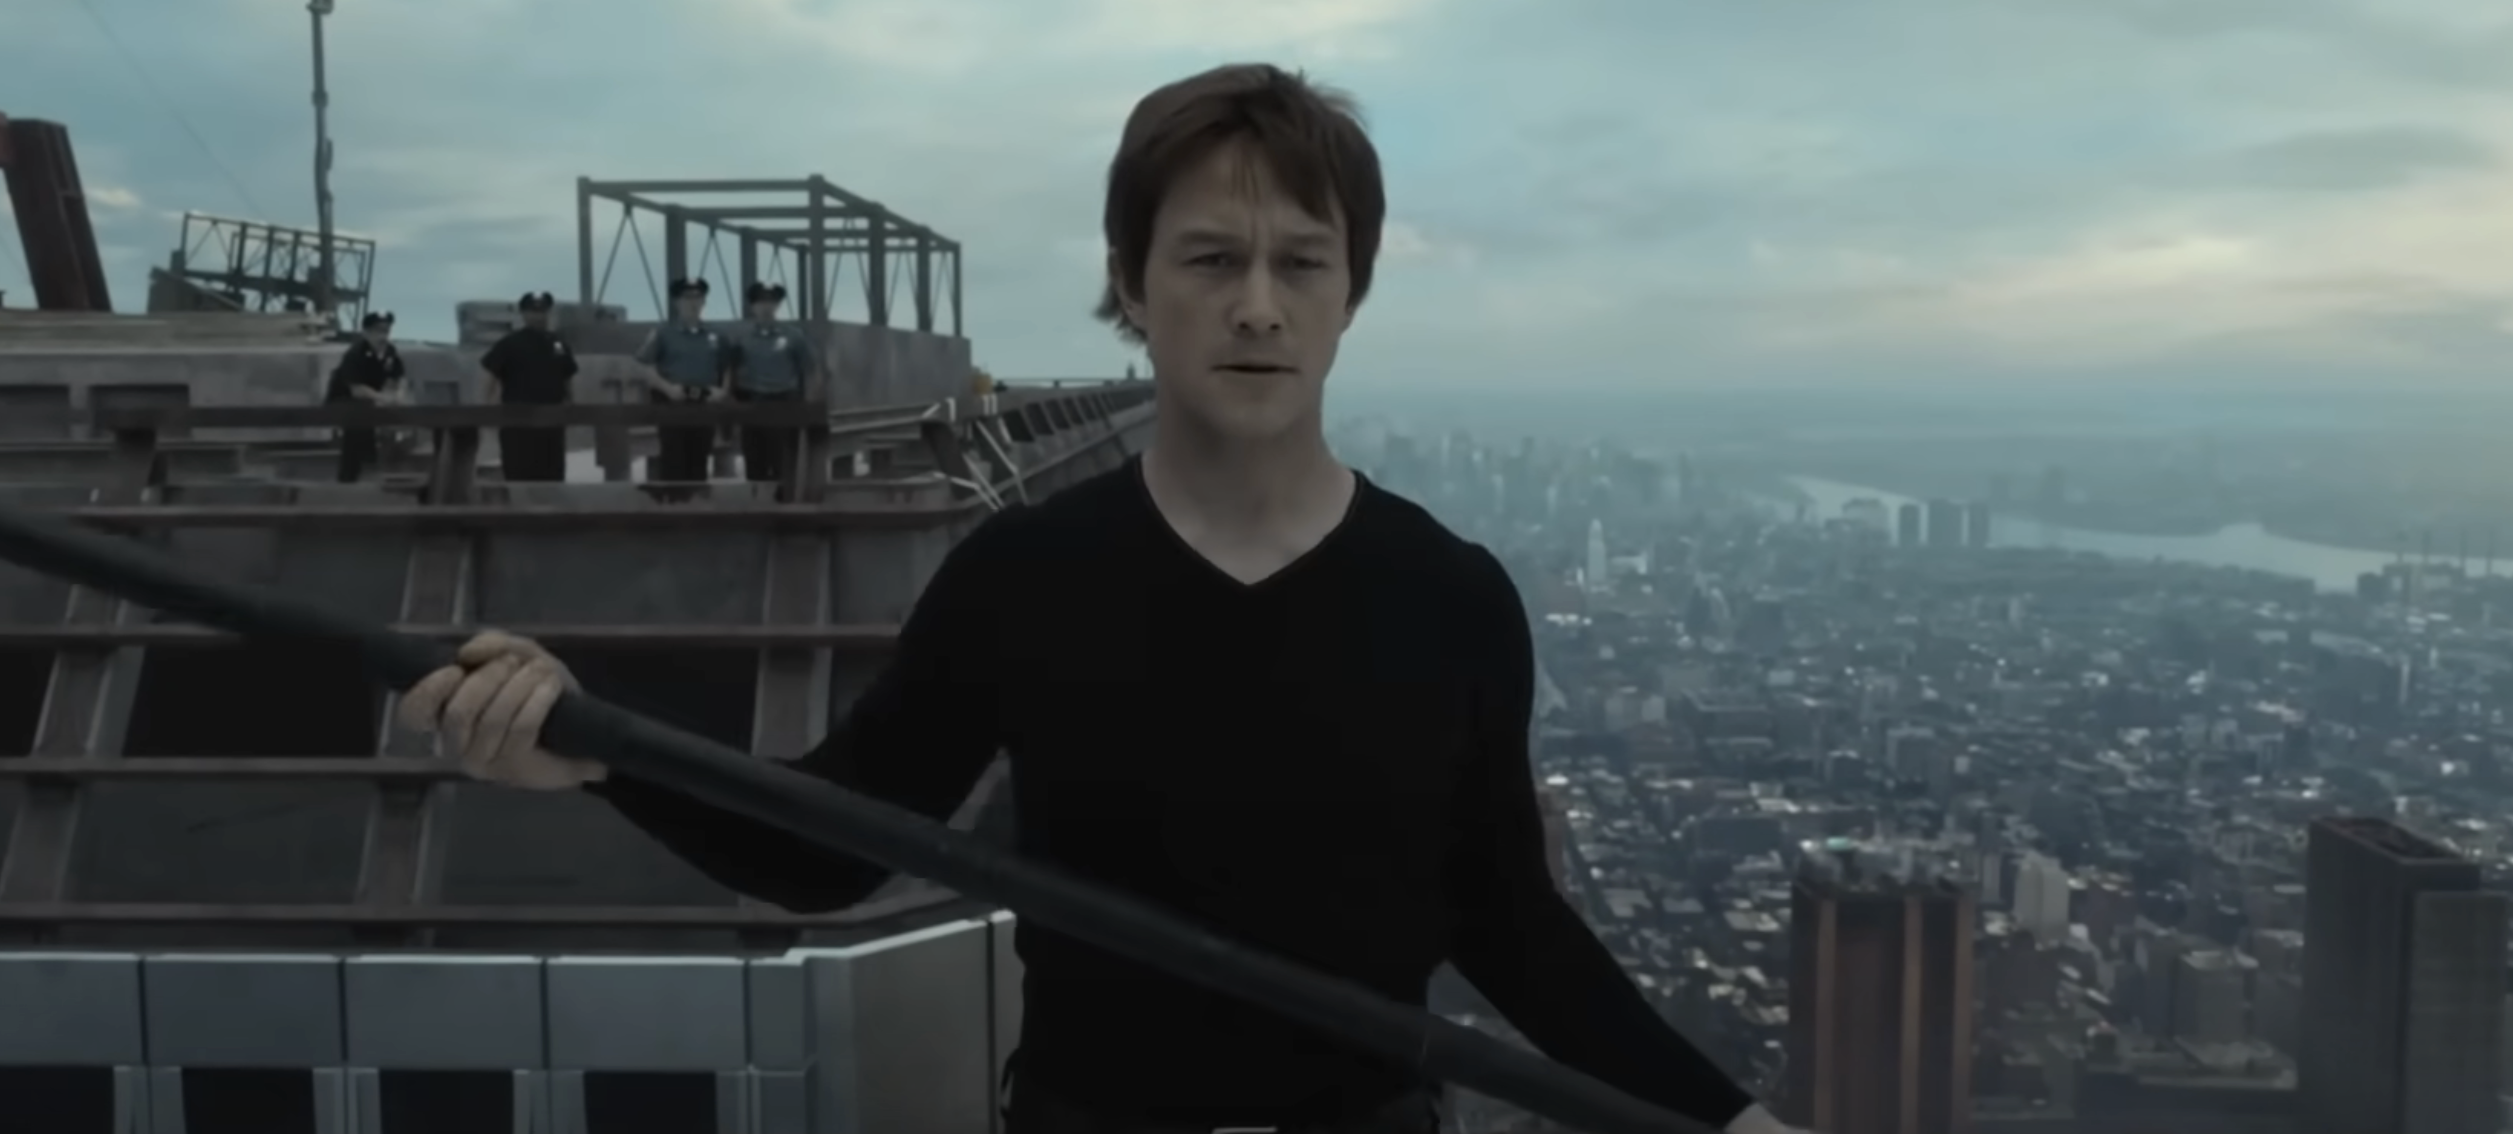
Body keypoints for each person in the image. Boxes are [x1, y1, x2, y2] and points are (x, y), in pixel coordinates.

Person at [397, 64, 1798, 1134]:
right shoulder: (1029, 576)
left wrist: (1727, 1119)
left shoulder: (1453, 598)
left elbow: (1507, 925)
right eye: (1210, 259)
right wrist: (592, 747)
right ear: (1131, 287)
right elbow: (829, 840)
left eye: (1301, 262)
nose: (1259, 305)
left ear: (1351, 294)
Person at [631, 277, 734, 482]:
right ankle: (673, 508)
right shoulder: (664, 333)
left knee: (700, 458)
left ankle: (696, 507)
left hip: (704, 404)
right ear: (677, 302)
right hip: (672, 403)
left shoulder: (716, 335)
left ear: (704, 302)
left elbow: (728, 366)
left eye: (698, 297)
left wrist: (722, 391)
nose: (693, 303)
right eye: (687, 298)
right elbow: (643, 365)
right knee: (673, 459)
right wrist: (667, 388)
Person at [480, 291, 579, 482]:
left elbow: (567, 376)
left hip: (552, 421)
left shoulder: (558, 344)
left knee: (552, 473)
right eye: (533, 312)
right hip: (518, 422)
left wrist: (572, 404)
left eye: (543, 311)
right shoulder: (510, 344)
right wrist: (487, 408)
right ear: (524, 314)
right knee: (518, 473)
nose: (538, 316)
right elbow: (490, 375)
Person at [733, 282, 814, 490]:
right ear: (752, 306)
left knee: (784, 464)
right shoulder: (742, 338)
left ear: (777, 306)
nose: (766, 307)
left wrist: (809, 404)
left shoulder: (794, 336)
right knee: (755, 463)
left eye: (771, 301)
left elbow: (810, 369)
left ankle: (784, 512)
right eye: (761, 301)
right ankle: (758, 511)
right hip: (753, 404)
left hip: (785, 403)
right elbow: (730, 370)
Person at [324, 310, 407, 484]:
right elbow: (356, 388)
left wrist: (398, 395)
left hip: (370, 402)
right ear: (366, 332)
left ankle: (375, 466)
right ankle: (350, 475)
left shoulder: (390, 352)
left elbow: (399, 377)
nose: (383, 336)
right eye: (378, 331)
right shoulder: (356, 353)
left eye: (386, 331)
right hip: (343, 401)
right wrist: (382, 398)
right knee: (358, 421)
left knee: (381, 418)